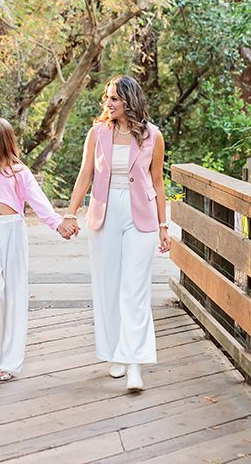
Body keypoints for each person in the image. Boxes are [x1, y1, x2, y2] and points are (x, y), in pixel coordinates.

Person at [63, 75, 171, 392]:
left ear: (129, 101)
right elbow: (85, 175)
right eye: (106, 98)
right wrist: (70, 213)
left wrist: (164, 226)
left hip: (142, 214)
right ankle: (117, 353)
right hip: (105, 211)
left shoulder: (153, 136)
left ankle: (135, 363)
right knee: (109, 286)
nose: (108, 103)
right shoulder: (98, 133)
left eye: (114, 98)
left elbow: (158, 182)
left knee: (134, 289)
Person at [0, 118, 78, 384]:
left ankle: (9, 362)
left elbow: (38, 202)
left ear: (2, 141)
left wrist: (58, 225)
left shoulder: (18, 171)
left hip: (13, 230)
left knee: (14, 293)